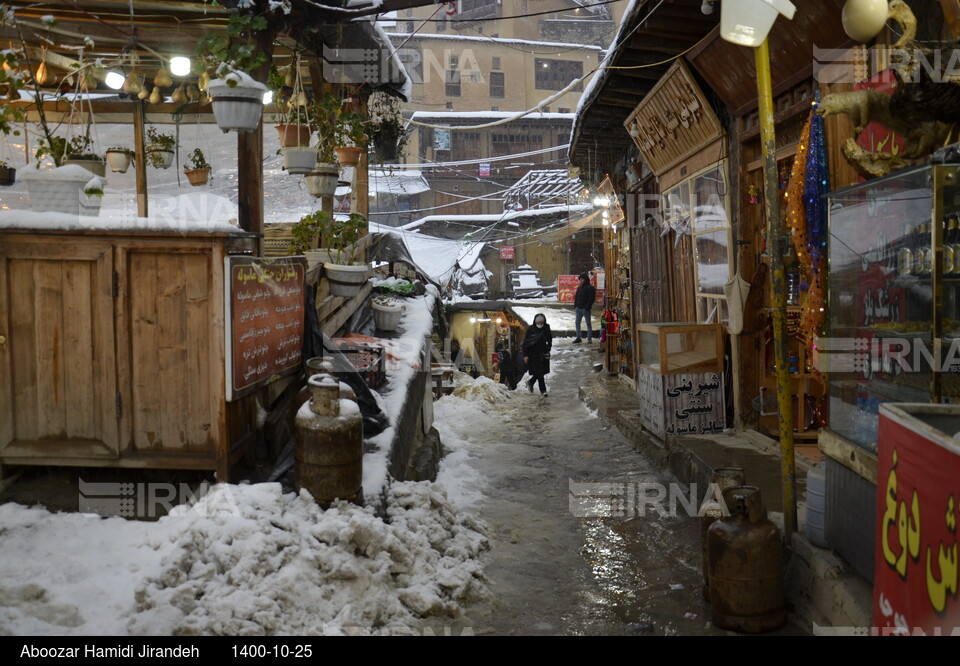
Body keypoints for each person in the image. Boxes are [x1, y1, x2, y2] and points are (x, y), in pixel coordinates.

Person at [522, 312, 552, 395]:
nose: (540, 325)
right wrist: (526, 355)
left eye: (542, 323)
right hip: (533, 353)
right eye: (538, 323)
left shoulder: (546, 328)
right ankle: (543, 390)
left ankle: (531, 382)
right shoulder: (531, 330)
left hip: (543, 353)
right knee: (539, 371)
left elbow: (549, 339)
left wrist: (548, 348)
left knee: (541, 371)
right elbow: (526, 343)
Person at [573, 272, 596, 343]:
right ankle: (578, 337)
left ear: (585, 279)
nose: (581, 280)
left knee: (588, 323)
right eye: (580, 279)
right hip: (578, 308)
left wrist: (587, 307)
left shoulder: (590, 288)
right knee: (577, 323)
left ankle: (589, 338)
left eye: (582, 279)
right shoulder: (579, 287)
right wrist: (575, 306)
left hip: (585, 309)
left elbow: (591, 299)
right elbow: (576, 297)